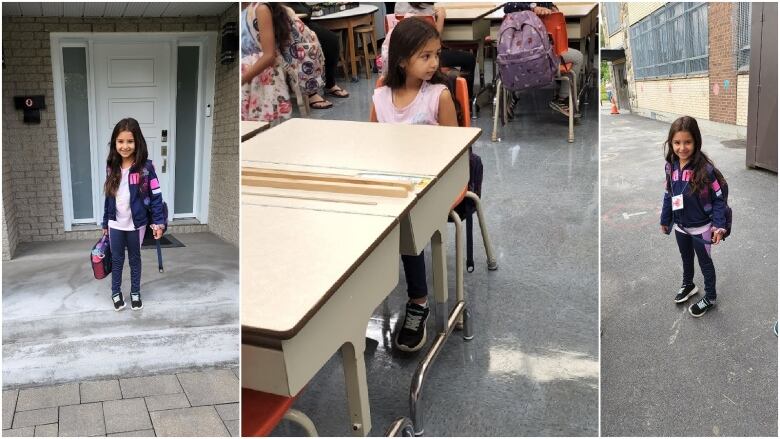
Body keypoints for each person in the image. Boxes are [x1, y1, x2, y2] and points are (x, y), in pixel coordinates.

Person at [370, 17, 458, 351]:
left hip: (431, 185)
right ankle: (356, 305)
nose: (435, 62)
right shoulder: (380, 98)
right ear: (402, 60)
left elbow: (457, 151)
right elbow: (372, 145)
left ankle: (418, 301)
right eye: (425, 56)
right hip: (393, 183)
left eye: (437, 54)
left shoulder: (439, 96)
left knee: (405, 219)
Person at [659, 116, 728, 317]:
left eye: (687, 142)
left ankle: (710, 297)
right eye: (677, 143)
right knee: (686, 257)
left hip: (702, 228)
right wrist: (665, 219)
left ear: (696, 141)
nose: (682, 148)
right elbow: (669, 194)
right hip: (681, 226)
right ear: (671, 143)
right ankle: (688, 284)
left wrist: (719, 225)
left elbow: (718, 199)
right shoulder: (670, 166)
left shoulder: (705, 169)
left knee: (705, 263)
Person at [101, 118, 166, 311]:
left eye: (129, 141)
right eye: (120, 141)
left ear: (137, 142)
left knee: (135, 259)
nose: (125, 146)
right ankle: (115, 292)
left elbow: (156, 196)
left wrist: (158, 223)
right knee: (117, 259)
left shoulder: (146, 168)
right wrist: (106, 222)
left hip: (136, 224)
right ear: (115, 143)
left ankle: (135, 291)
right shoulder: (111, 166)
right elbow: (108, 197)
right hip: (115, 223)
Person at [240, 3, 326, 121]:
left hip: (263, 82)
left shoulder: (260, 9)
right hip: (252, 82)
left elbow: (269, 56)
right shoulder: (244, 10)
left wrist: (242, 79)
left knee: (264, 130)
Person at [378, 2, 477, 99]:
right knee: (468, 59)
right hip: (415, 51)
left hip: (403, 53)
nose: (434, 64)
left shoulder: (400, 4)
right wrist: (441, 17)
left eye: (436, 55)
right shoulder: (426, 9)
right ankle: (467, 100)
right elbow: (431, 41)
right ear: (402, 62)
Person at [504, 2, 584, 118]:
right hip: (542, 58)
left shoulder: (537, 5)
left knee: (511, 62)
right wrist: (534, 7)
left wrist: (548, 6)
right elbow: (508, 6)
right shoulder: (532, 6)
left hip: (519, 60)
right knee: (578, 57)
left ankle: (512, 95)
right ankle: (562, 98)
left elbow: (508, 7)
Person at [287, 3, 351, 101]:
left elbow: (307, 10)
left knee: (331, 40)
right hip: (288, 26)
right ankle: (310, 93)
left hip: (302, 22)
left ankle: (330, 83)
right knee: (306, 47)